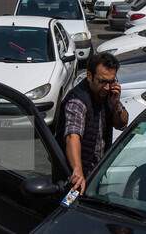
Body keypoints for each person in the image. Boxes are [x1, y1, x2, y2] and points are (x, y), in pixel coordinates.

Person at [54, 53, 128, 193]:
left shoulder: (108, 95)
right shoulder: (78, 101)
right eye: (102, 81)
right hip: (74, 179)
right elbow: (72, 136)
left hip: (95, 174)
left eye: (111, 81)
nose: (107, 87)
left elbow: (122, 124)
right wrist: (78, 171)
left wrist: (116, 104)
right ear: (89, 76)